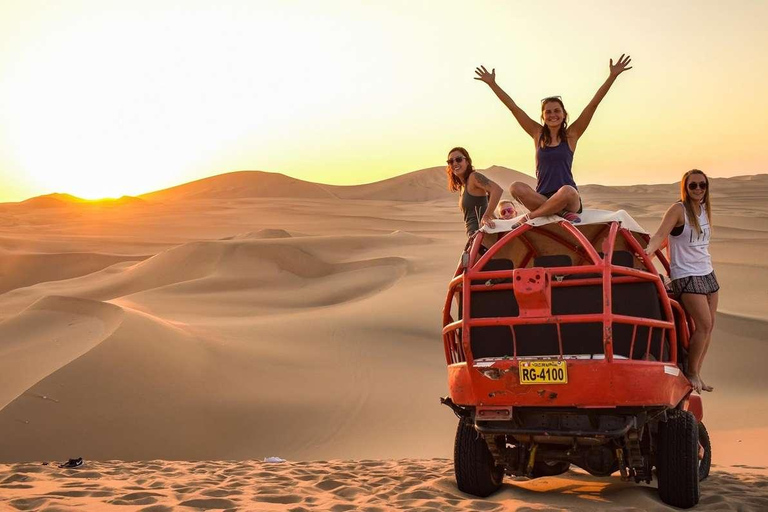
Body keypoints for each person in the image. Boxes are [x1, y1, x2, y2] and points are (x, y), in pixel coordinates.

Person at [474, 54, 633, 225]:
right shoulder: (537, 134)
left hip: (568, 199)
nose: (553, 115)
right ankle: (560, 214)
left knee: (567, 190)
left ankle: (534, 216)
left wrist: (612, 77)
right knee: (515, 187)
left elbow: (593, 105)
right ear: (543, 116)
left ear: (564, 114)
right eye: (548, 112)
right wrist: (492, 84)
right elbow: (514, 108)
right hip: (541, 196)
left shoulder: (572, 135)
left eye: (557, 111)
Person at [645, 170, 719, 393]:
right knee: (703, 325)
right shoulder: (678, 210)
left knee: (708, 327)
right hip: (686, 275)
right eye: (693, 186)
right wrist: (647, 252)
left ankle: (696, 371)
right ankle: (692, 373)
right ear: (685, 188)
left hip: (708, 273)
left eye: (702, 185)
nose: (698, 190)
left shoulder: (704, 209)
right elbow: (660, 236)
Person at [446, 147, 503, 237]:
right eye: (450, 161)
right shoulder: (462, 186)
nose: (455, 163)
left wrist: (486, 217)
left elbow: (497, 190)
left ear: (467, 162)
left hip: (482, 235)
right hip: (473, 235)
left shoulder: (473, 177)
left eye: (459, 159)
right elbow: (483, 204)